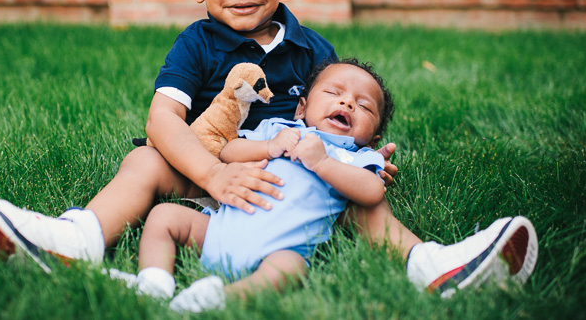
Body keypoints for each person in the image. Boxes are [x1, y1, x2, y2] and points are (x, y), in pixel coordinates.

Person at [0, 0, 537, 299]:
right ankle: (80, 238)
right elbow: (164, 119)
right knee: (143, 160)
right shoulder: (198, 42)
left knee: (364, 202)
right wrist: (213, 177)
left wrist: (359, 152)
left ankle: (431, 265)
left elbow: (338, 112)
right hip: (210, 168)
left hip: (297, 179)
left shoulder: (315, 49)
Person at [104, 59, 538, 312]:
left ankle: (217, 298)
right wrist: (270, 147)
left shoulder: (355, 156)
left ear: (372, 135)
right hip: (218, 228)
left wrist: (324, 162)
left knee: (289, 270)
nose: (348, 101)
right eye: (334, 93)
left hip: (281, 248)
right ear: (302, 108)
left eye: (363, 105)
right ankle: (153, 282)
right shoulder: (277, 128)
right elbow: (227, 152)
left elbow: (370, 194)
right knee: (164, 218)